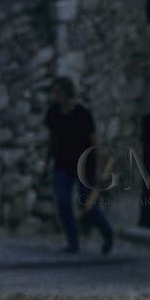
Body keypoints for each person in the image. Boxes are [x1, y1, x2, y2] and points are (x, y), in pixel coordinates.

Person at [45, 77, 114, 255]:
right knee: (64, 203)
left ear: (68, 93)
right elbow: (52, 139)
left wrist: (98, 168)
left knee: (87, 205)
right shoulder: (53, 113)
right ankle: (73, 243)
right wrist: (48, 161)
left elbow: (94, 141)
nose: (56, 96)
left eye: (59, 92)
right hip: (62, 165)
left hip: (85, 166)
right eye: (55, 92)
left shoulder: (82, 113)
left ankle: (107, 233)